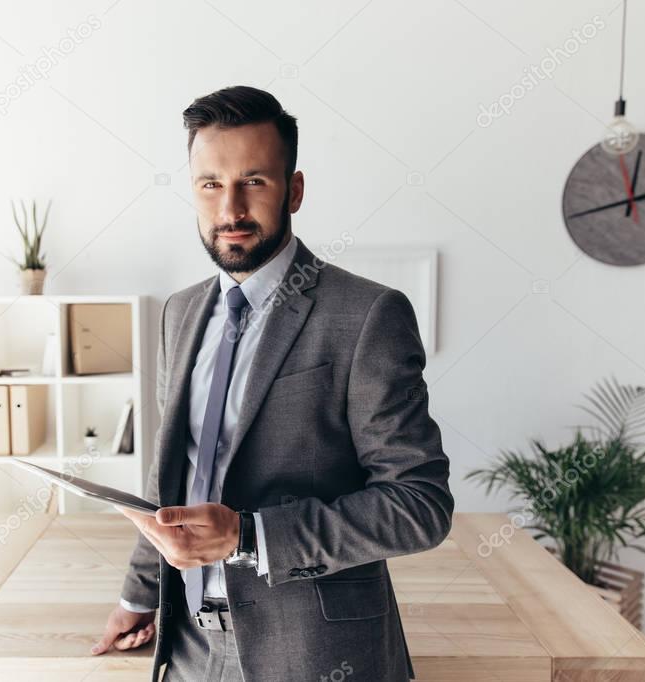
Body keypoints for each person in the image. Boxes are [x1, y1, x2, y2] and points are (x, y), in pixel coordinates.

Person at [90, 85, 453, 681]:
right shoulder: (179, 313)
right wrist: (138, 597)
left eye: (253, 182)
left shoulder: (367, 315)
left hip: (314, 656)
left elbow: (420, 505)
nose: (229, 209)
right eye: (211, 184)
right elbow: (169, 482)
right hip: (185, 649)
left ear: (295, 190)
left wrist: (250, 536)